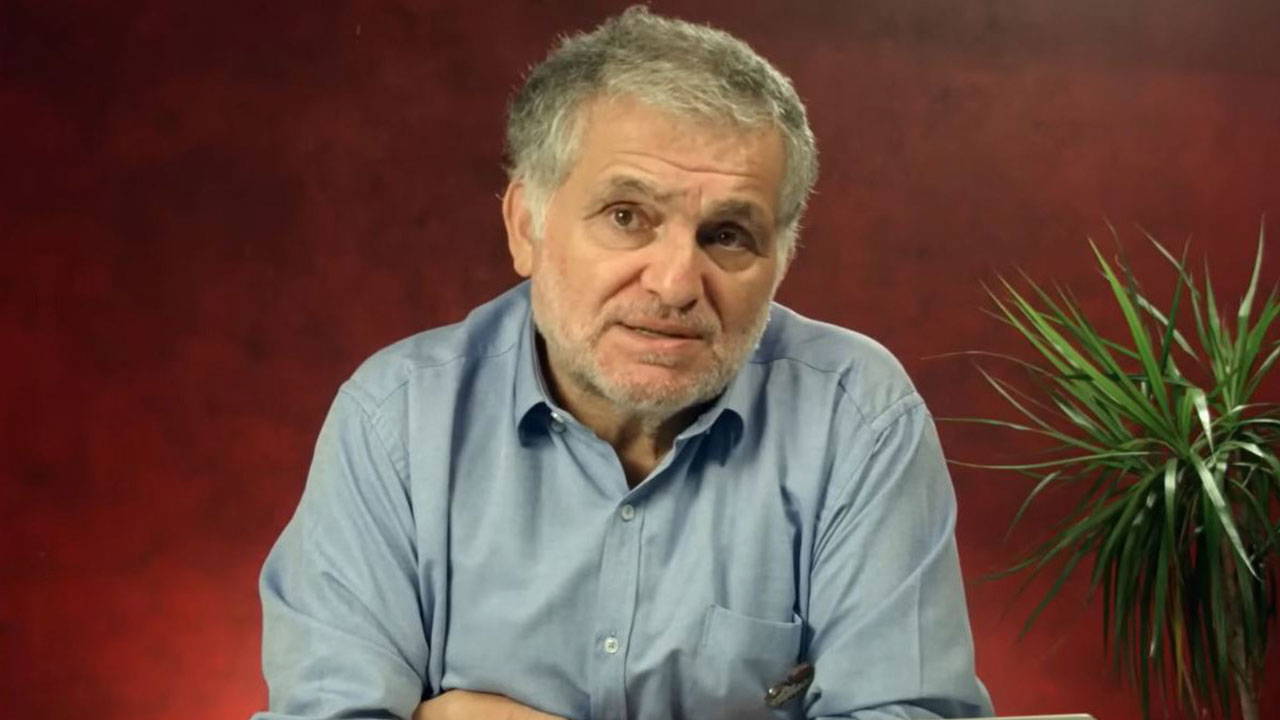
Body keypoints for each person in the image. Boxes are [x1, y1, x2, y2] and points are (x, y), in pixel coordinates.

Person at [254, 7, 993, 720]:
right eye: (626, 217)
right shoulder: (397, 423)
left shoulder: (857, 419)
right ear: (526, 225)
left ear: (781, 259)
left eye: (727, 234)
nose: (675, 285)